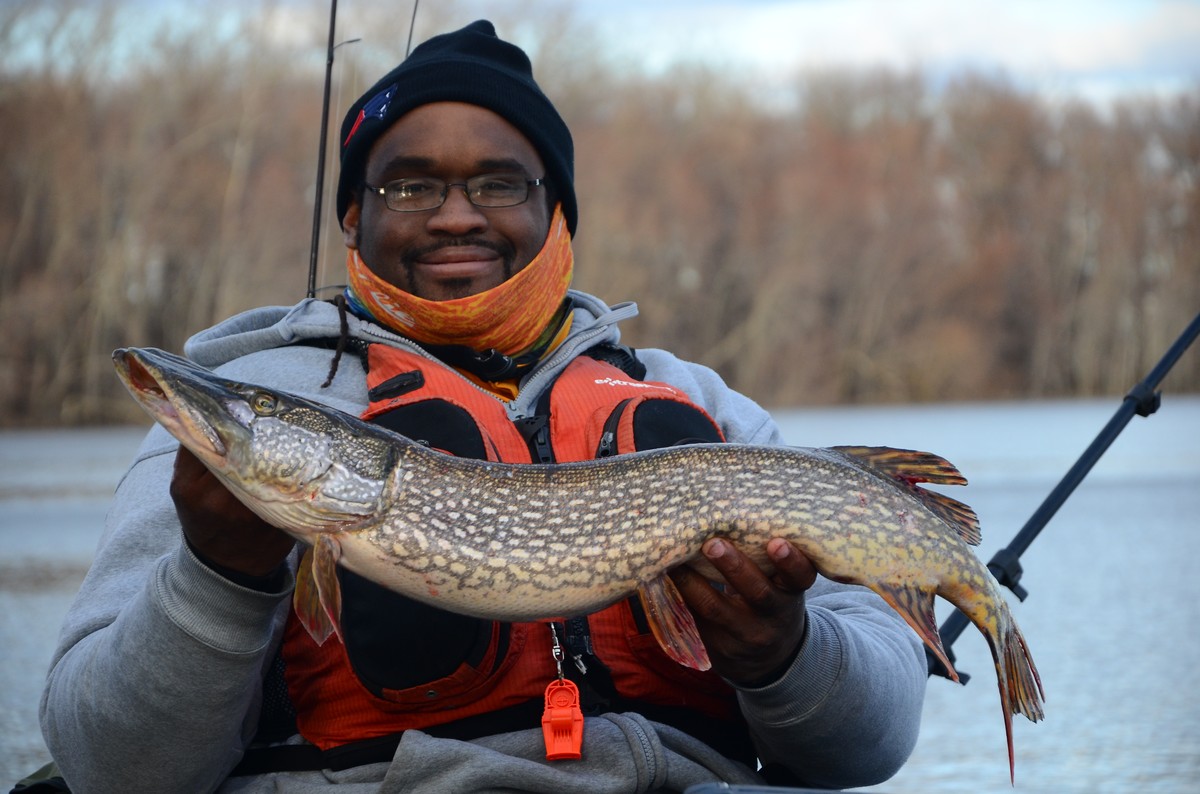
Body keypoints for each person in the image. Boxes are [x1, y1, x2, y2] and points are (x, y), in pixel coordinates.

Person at [38, 20, 927, 794]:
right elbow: (111, 771)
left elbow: (873, 745)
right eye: (410, 186)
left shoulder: (701, 405)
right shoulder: (268, 408)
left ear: (559, 213)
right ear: (354, 216)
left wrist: (783, 652)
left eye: (500, 184)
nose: (455, 216)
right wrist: (216, 579)